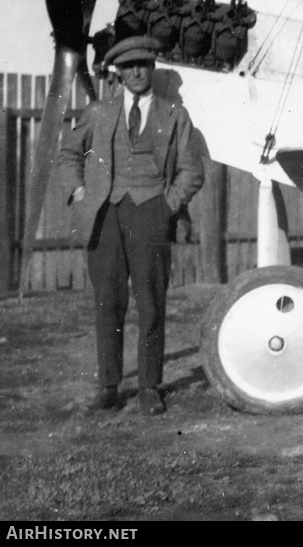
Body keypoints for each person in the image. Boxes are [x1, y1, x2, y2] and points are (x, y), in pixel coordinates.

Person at [57, 36, 204, 414]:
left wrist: (167, 207)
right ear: (118, 72)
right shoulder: (99, 112)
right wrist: (78, 192)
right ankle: (109, 386)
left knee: (151, 303)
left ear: (153, 67)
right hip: (105, 215)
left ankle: (149, 387)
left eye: (143, 64)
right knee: (108, 301)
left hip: (151, 213)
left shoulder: (175, 114)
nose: (136, 72)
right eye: (128, 66)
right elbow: (69, 153)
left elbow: (192, 169)